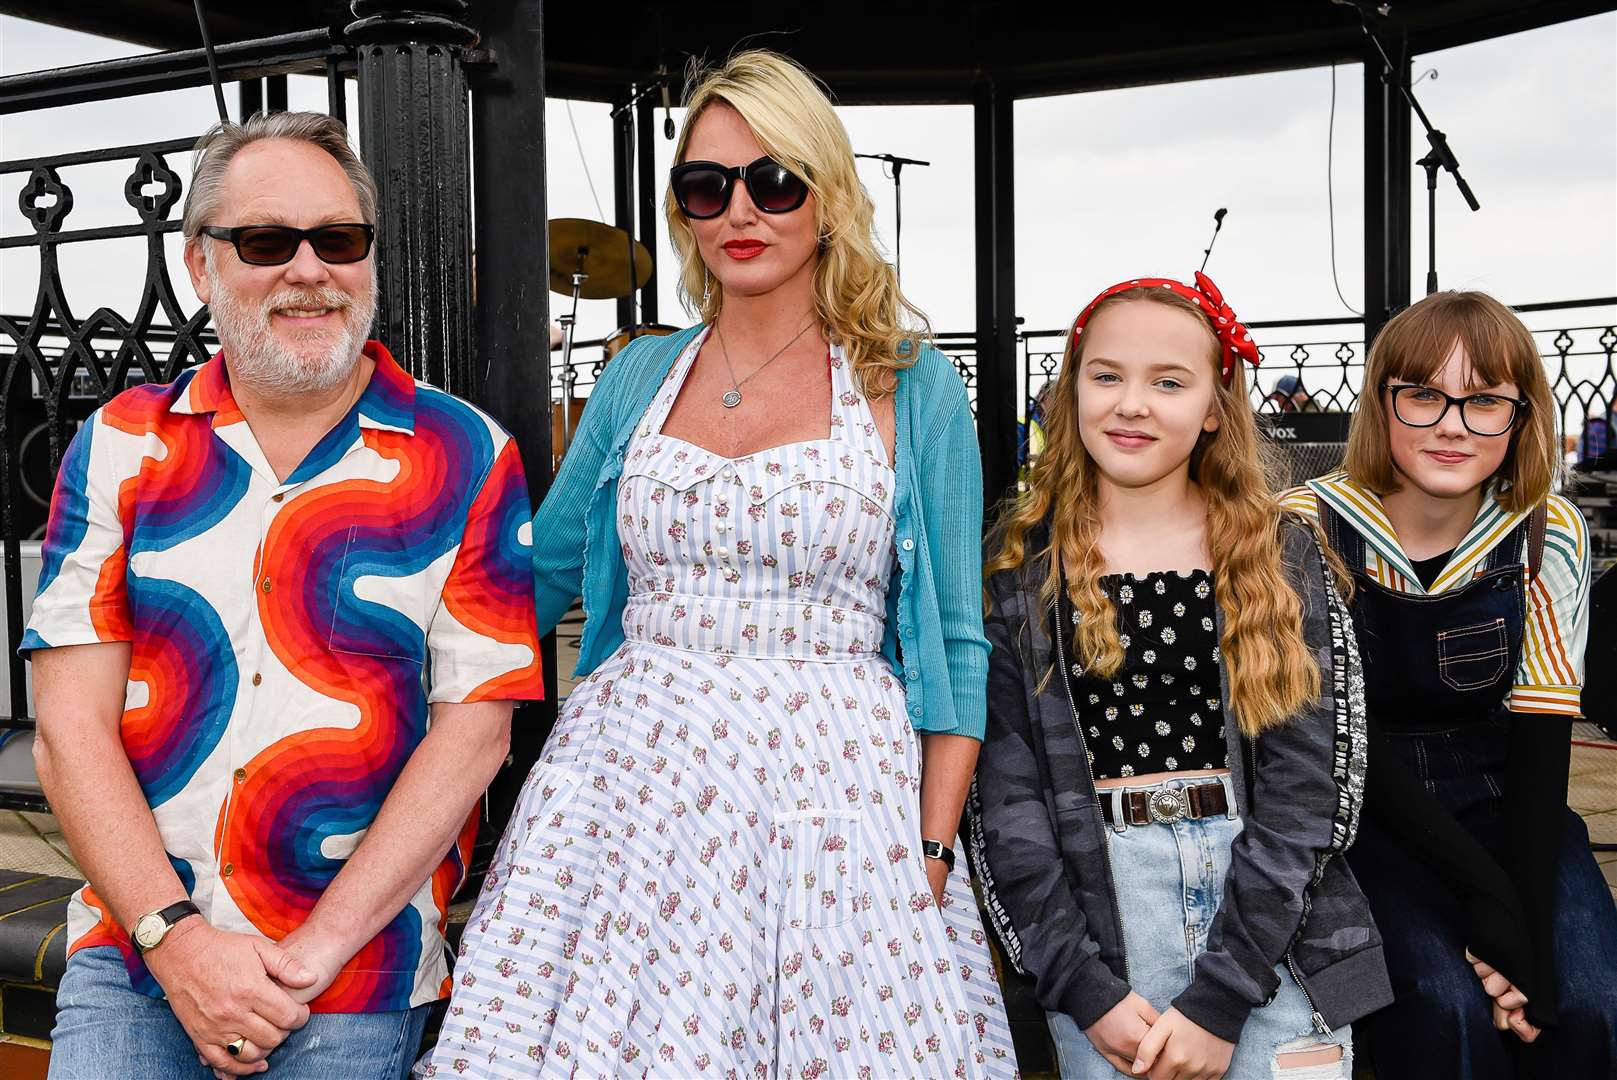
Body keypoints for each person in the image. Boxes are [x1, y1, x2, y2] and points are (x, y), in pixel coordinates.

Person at [423, 50, 1014, 1078]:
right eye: (707, 186)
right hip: (627, 796)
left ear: (826, 196)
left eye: (773, 180)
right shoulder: (639, 374)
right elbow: (540, 572)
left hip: (836, 805)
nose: (740, 210)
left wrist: (930, 842)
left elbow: (957, 637)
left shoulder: (910, 385)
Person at [28, 112, 544, 1079]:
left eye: (338, 239)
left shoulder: (468, 455)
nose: (309, 268)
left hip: (352, 976)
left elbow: (475, 732)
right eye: (266, 241)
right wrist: (177, 941)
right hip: (136, 960)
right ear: (199, 266)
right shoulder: (120, 443)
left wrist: (309, 959)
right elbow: (69, 731)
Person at [970, 272, 1390, 1080]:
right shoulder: (1021, 580)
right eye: (1106, 376)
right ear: (1068, 394)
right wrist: (1079, 984)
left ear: (1212, 408)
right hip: (1105, 931)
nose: (1132, 403)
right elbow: (1004, 810)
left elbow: (1316, 796)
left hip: (1274, 929)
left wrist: (1223, 997)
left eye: (1168, 382)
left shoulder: (1280, 560)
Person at [1281, 290, 1617, 1078]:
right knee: (1441, 1009)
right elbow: (1335, 734)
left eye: (1484, 401)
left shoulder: (1544, 529)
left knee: (1590, 1002)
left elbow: (1540, 740)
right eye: (1423, 395)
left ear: (1520, 414)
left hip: (1502, 791)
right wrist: (1485, 905)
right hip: (1359, 802)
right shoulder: (1304, 527)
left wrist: (1523, 924)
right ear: (1382, 403)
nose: (1452, 424)